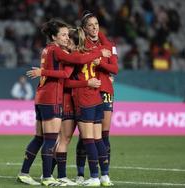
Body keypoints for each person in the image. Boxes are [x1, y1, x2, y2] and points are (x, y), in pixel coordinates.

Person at [17, 19, 110, 186]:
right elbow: (77, 64)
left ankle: (24, 173)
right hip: (52, 97)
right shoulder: (57, 50)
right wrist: (99, 53)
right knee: (51, 139)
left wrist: (43, 71)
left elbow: (66, 71)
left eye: (68, 35)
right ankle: (48, 177)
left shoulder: (48, 50)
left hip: (42, 97)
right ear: (54, 36)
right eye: (63, 35)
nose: (67, 38)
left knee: (39, 138)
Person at [75, 11, 118, 187]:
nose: (94, 28)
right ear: (84, 28)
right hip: (88, 90)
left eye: (97, 24)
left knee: (103, 136)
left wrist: (99, 62)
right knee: (85, 137)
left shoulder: (108, 44)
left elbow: (114, 69)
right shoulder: (82, 44)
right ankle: (80, 173)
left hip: (105, 90)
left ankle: (103, 175)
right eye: (90, 25)